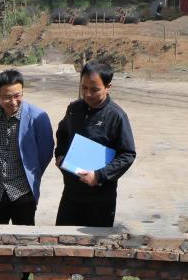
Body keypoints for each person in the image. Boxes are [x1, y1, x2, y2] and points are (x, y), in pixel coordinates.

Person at [54, 61, 136, 227]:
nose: (87, 94)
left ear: (108, 87)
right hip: (71, 193)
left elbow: (127, 154)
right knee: (64, 238)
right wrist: (60, 155)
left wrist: (99, 176)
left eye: (94, 89)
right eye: (84, 87)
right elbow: (62, 132)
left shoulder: (116, 116)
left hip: (101, 199)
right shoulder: (74, 109)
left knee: (95, 241)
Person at [0, 69, 54, 226]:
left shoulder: (38, 117)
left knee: (24, 238)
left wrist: (32, 174)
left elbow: (46, 153)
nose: (13, 102)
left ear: (22, 92)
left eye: (17, 96)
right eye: (7, 97)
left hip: (23, 194)